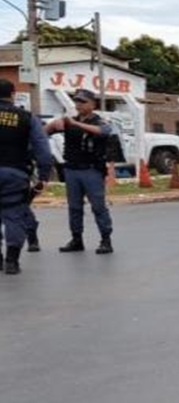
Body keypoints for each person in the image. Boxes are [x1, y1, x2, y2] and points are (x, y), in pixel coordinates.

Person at [44, 89, 115, 255]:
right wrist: (55, 123)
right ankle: (77, 239)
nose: (78, 105)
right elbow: (43, 132)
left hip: (91, 170)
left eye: (83, 102)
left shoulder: (99, 121)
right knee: (74, 207)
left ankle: (106, 240)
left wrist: (75, 124)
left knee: (98, 207)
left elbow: (104, 131)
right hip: (72, 169)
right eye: (77, 101)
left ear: (93, 104)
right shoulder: (70, 121)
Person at [0, 78, 51, 274]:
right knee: (14, 215)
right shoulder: (27, 117)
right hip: (15, 173)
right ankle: (12, 261)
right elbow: (43, 151)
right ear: (12, 95)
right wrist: (43, 177)